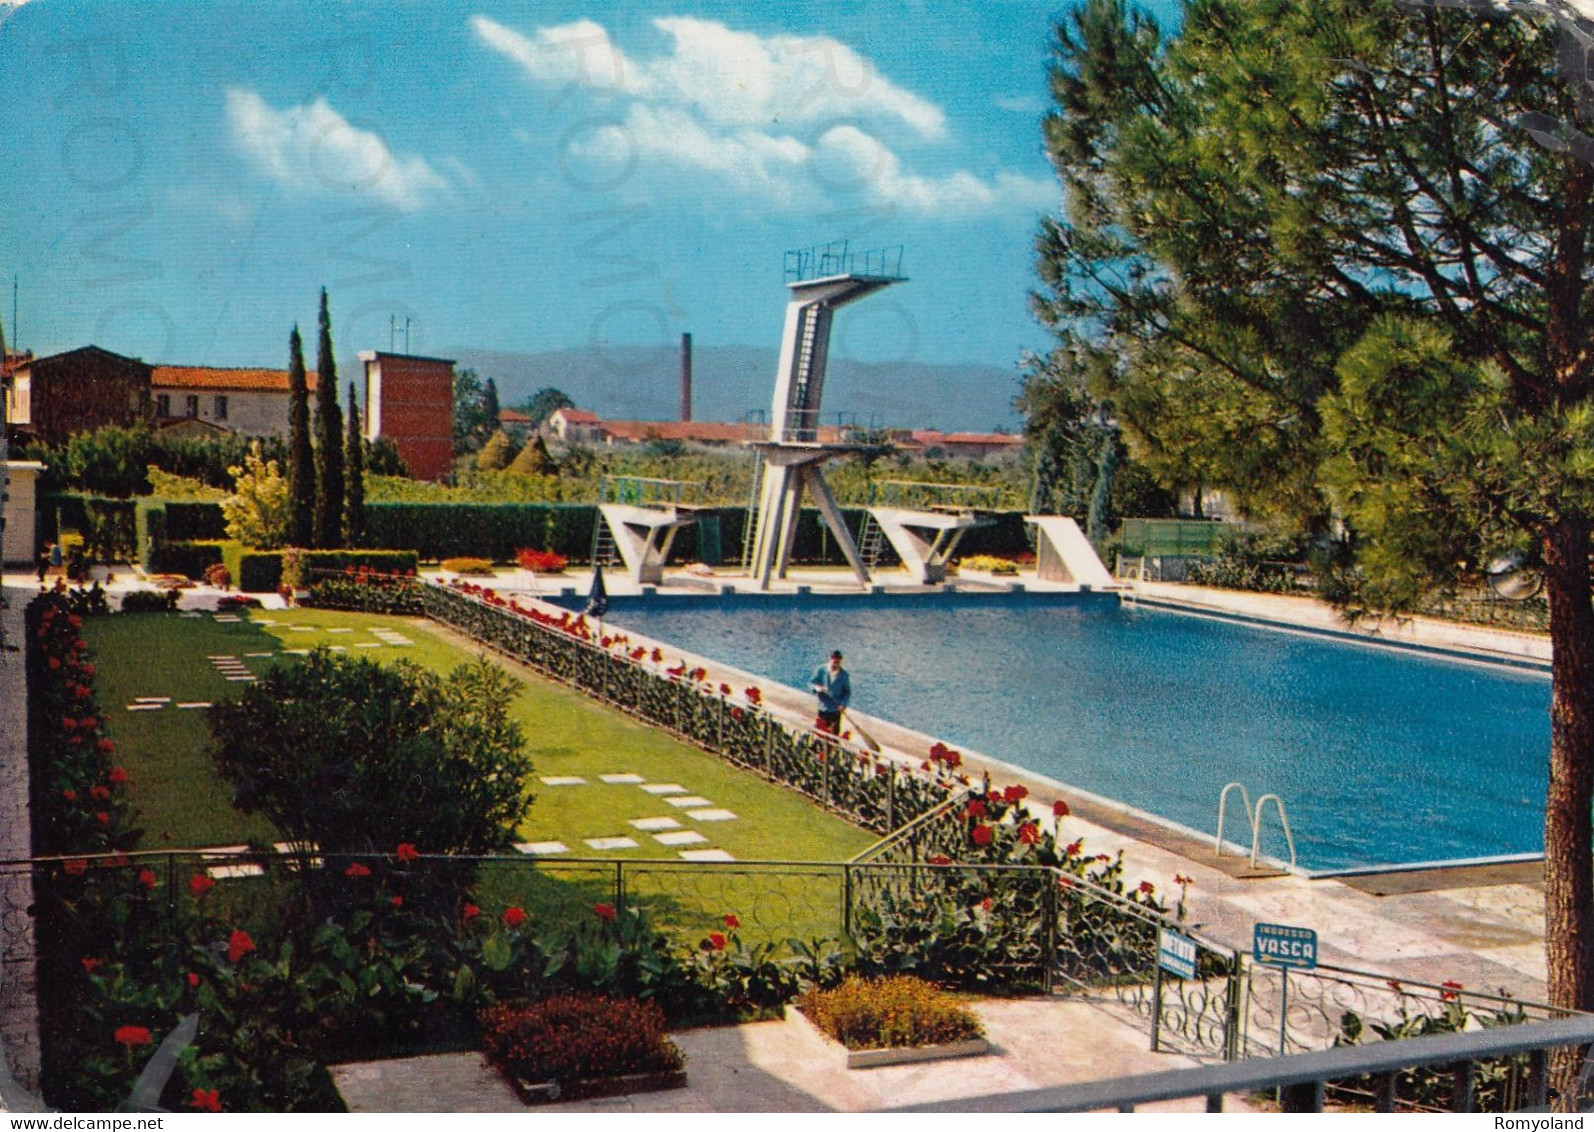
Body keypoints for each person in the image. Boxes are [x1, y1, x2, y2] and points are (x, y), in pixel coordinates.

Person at [810, 650, 851, 734]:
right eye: (834, 662)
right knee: (819, 732)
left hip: (835, 709)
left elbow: (847, 692)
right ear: (829, 659)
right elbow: (811, 682)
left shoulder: (844, 675)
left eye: (838, 663)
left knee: (834, 734)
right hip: (823, 708)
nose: (835, 664)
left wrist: (843, 704)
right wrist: (816, 688)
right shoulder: (821, 670)